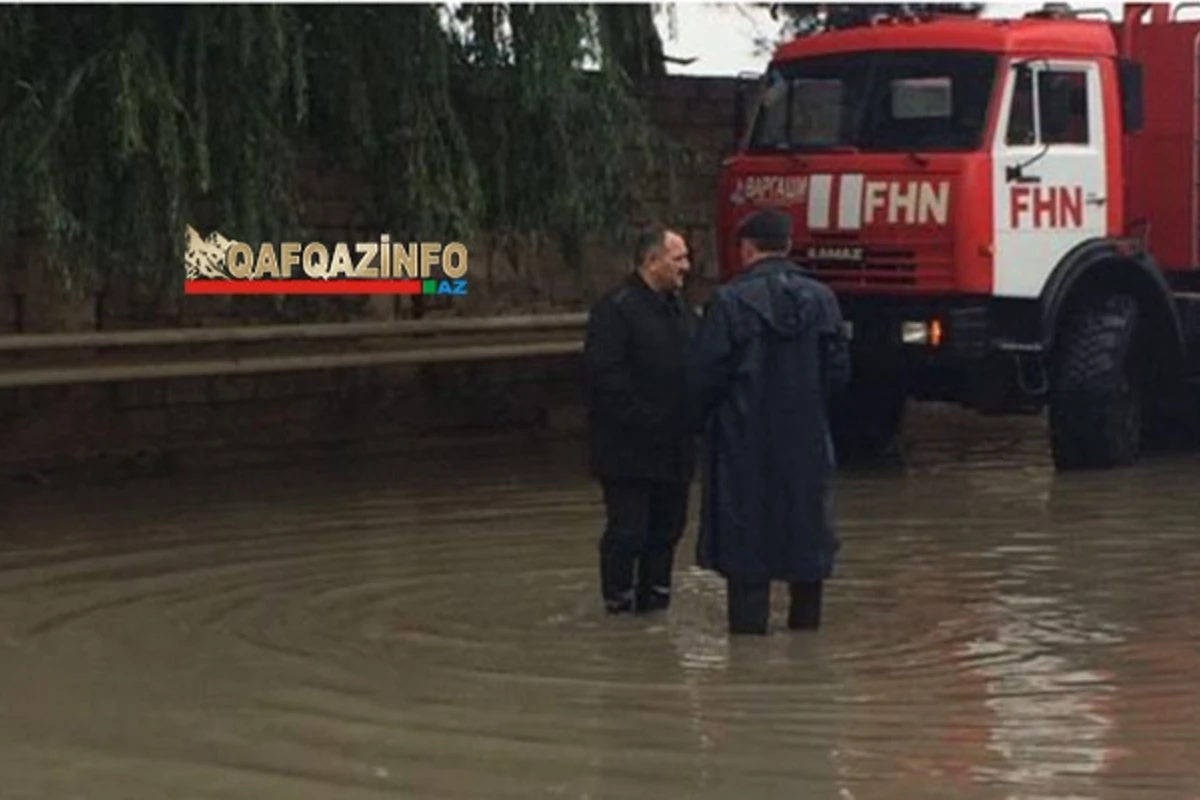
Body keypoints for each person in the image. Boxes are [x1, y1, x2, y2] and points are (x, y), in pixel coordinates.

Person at [686, 208, 851, 635]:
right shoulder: (823, 300)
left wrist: (698, 426)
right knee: (807, 549)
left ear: (747, 249)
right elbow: (838, 374)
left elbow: (705, 378)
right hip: (807, 444)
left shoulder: (728, 302)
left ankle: (747, 661)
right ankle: (805, 652)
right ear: (788, 246)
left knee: (747, 557)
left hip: (745, 445)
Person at [583, 225, 696, 615]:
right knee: (628, 531)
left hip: (675, 450)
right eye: (678, 258)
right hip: (627, 451)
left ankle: (656, 605)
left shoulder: (679, 309)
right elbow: (605, 378)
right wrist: (646, 419)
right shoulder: (616, 310)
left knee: (667, 532)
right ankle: (618, 605)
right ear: (652, 261)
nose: (687, 267)